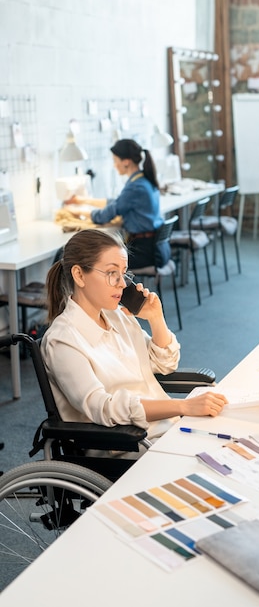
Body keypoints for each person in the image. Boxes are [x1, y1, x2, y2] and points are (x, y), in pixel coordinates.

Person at [41, 229, 227, 449]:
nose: (122, 284)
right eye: (112, 273)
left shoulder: (118, 316)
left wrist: (156, 318)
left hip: (167, 429)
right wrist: (183, 407)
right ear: (79, 275)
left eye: (124, 273)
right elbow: (103, 407)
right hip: (129, 445)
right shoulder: (62, 341)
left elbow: (165, 364)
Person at [66, 138, 170, 270]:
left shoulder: (135, 187)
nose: (114, 165)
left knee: (95, 264)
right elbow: (116, 203)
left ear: (126, 161)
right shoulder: (143, 181)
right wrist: (82, 201)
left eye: (115, 161)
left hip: (145, 252)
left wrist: (75, 212)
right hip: (155, 248)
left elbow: (105, 215)